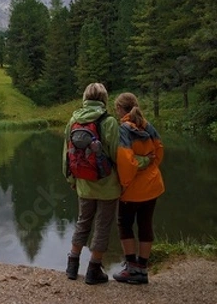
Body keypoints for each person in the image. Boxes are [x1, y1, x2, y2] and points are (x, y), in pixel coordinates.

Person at [62, 82, 120, 285]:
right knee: (102, 226)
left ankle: (72, 266)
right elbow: (116, 155)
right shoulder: (110, 121)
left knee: (83, 222)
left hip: (83, 182)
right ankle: (94, 270)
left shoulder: (73, 120)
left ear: (85, 98)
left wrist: (71, 179)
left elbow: (66, 155)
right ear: (104, 99)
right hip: (107, 184)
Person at [112, 92, 165, 284]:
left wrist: (124, 185)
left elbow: (126, 162)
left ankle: (131, 268)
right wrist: (151, 168)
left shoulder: (123, 129)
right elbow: (159, 151)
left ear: (119, 109)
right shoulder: (147, 125)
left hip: (132, 189)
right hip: (152, 185)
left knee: (124, 225)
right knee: (145, 224)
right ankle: (143, 269)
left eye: (116, 108)